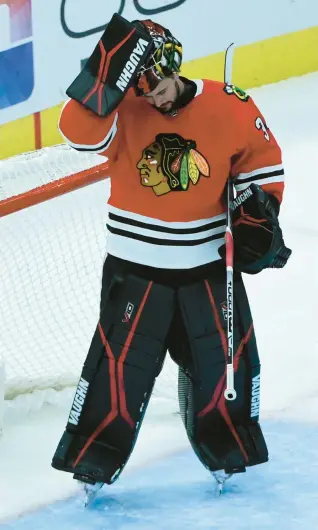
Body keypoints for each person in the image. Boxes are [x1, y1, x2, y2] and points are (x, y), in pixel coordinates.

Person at [51, 14, 291, 500]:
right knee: (118, 368)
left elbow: (264, 166)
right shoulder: (125, 109)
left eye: (158, 88)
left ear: (174, 67)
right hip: (135, 269)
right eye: (142, 90)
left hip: (206, 266)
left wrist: (258, 211)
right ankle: (94, 463)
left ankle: (229, 454)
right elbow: (76, 133)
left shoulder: (231, 105)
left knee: (224, 365)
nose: (154, 100)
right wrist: (104, 81)